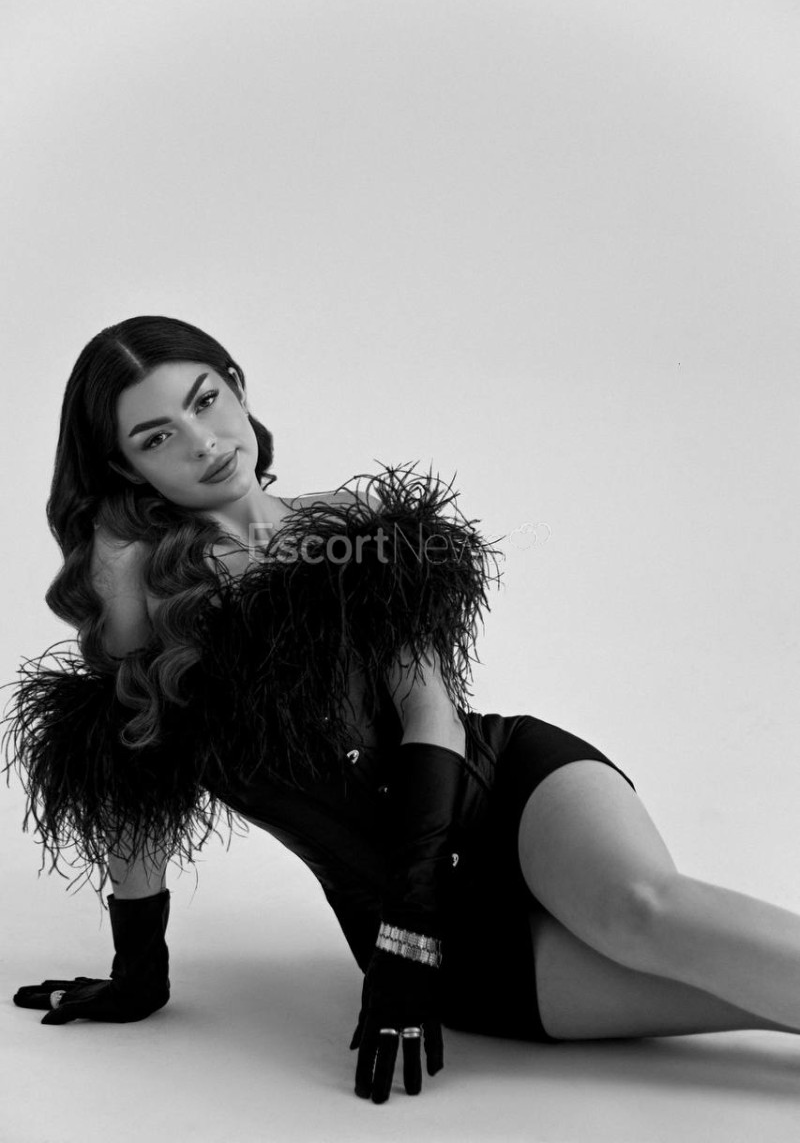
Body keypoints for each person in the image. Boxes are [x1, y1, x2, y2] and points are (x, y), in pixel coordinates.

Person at [4, 316, 800, 1107]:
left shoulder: (356, 527)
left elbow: (431, 714)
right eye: (157, 437)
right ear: (124, 466)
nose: (203, 441)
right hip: (429, 932)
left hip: (506, 791)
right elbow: (129, 778)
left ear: (238, 387)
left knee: (641, 912)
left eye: (206, 400)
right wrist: (139, 972)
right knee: (740, 994)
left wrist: (409, 931)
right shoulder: (142, 596)